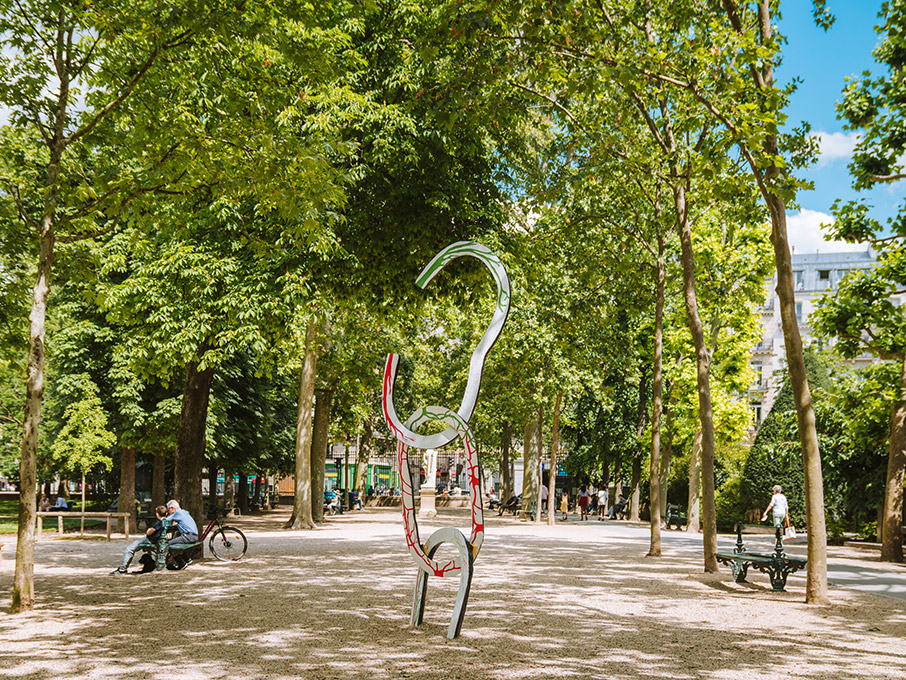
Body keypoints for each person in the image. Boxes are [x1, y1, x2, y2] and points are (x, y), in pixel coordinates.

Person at [111, 505, 168, 575]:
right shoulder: (167, 521)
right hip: (160, 540)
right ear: (166, 513)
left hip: (150, 540)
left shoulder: (159, 522)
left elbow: (149, 533)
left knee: (129, 549)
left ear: (157, 514)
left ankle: (122, 569)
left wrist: (148, 530)